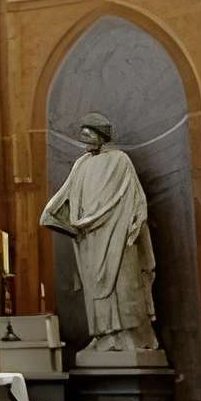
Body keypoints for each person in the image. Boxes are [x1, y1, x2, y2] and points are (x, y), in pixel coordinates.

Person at [39, 114, 159, 358]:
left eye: (89, 133)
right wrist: (55, 217)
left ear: (101, 135)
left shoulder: (120, 160)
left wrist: (131, 221)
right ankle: (103, 337)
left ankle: (131, 337)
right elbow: (65, 196)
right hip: (91, 239)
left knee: (124, 284)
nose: (84, 138)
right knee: (95, 289)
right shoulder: (81, 164)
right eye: (83, 134)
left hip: (118, 234)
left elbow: (134, 196)